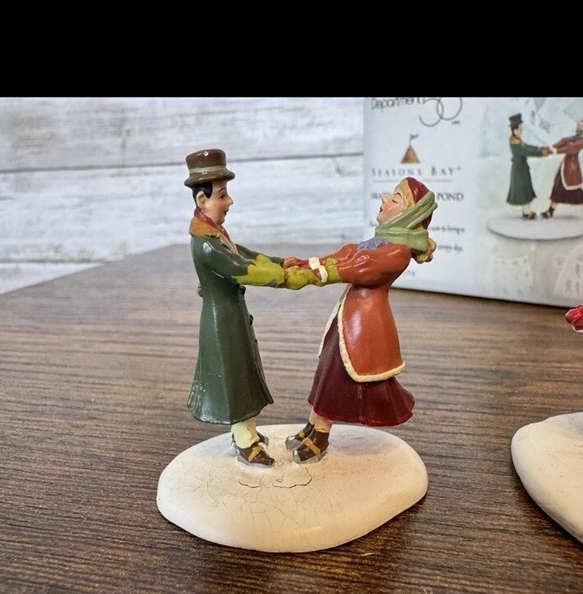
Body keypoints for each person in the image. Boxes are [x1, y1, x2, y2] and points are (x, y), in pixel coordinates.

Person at [279, 177, 438, 464]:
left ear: (411, 214)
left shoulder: (396, 251)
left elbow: (360, 267)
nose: (385, 199)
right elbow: (346, 254)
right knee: (327, 371)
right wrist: (305, 264)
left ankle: (320, 436)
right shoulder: (377, 243)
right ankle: (312, 426)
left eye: (396, 198)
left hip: (364, 328)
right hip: (348, 321)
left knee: (337, 379)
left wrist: (312, 275)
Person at [184, 148, 289, 468]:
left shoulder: (215, 234)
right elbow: (241, 268)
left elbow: (245, 254)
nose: (229, 201)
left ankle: (247, 434)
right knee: (234, 379)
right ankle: (245, 442)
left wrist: (280, 261)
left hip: (232, 316)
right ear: (202, 200)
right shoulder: (206, 243)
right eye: (222, 195)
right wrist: (284, 276)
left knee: (241, 374)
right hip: (223, 321)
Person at [506, 113, 553, 219]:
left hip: (522, 168)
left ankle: (526, 211)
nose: (521, 131)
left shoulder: (517, 140)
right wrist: (541, 153)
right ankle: (527, 212)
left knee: (525, 189)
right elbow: (526, 151)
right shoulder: (515, 143)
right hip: (519, 170)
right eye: (520, 129)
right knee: (522, 190)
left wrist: (540, 148)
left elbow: (527, 147)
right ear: (514, 130)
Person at [542, 118, 583, 219]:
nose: (579, 123)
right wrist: (549, 148)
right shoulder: (574, 137)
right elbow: (564, 141)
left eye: (582, 122)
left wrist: (553, 151)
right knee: (558, 188)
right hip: (565, 167)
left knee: (576, 192)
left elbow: (570, 148)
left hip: (571, 169)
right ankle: (550, 210)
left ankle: (550, 211)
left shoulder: (581, 141)